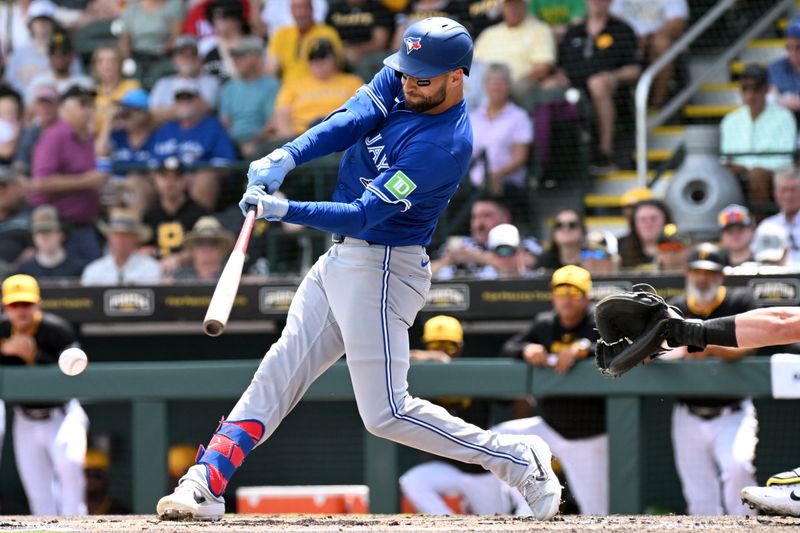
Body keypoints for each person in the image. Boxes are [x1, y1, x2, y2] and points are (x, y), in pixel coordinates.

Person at [156, 16, 561, 522]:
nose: (409, 83)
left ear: (457, 76)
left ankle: (520, 461)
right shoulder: (403, 75)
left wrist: (287, 211)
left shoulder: (444, 145)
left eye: (423, 78)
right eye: (406, 73)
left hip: (385, 266)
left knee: (386, 414)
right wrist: (287, 154)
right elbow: (348, 119)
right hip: (341, 258)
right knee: (276, 373)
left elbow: (368, 215)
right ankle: (205, 482)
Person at [497, 265, 606, 515]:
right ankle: (526, 501)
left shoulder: (597, 321)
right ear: (553, 297)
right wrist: (526, 350)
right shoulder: (545, 324)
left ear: (587, 297)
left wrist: (583, 348)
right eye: (561, 292)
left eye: (574, 292)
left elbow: (617, 346)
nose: (566, 299)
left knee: (597, 513)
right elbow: (510, 347)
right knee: (498, 440)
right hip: (550, 426)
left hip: (588, 435)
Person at [661, 243, 759, 516]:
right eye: (697, 272)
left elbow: (750, 347)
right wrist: (681, 348)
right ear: (687, 273)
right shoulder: (675, 308)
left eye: (710, 273)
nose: (702, 279)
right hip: (687, 413)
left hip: (732, 410)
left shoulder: (740, 302)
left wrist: (707, 344)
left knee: (738, 469)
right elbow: (652, 353)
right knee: (700, 500)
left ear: (721, 276)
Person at [400, 315, 528, 515]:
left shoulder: (475, 375)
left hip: (481, 470)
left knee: (498, 521)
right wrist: (426, 357)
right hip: (445, 465)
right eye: (435, 345)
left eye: (448, 346)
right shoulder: (416, 374)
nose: (441, 351)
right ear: (425, 346)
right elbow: (390, 361)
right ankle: (449, 526)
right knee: (413, 481)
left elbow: (523, 399)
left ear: (460, 346)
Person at [0, 274, 89, 515]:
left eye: (26, 304)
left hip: (61, 414)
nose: (20, 311)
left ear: (37, 304)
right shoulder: (2, 330)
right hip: (25, 419)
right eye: (14, 305)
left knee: (70, 470)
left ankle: (78, 529)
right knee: (39, 495)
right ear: (5, 306)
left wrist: (34, 358)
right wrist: (4, 348)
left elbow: (77, 370)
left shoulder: (56, 329)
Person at [556, 0, 641, 172]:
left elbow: (635, 69)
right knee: (547, 86)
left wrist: (613, 76)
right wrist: (559, 76)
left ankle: (605, 153)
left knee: (597, 84)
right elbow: (560, 66)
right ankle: (555, 164)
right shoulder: (574, 31)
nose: (596, 2)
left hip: (611, 91)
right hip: (573, 90)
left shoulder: (622, 29)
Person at [29, 81, 107, 265]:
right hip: (59, 229)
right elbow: (40, 183)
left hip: (85, 223)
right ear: (65, 108)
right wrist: (85, 182)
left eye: (90, 104)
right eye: (82, 104)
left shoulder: (87, 138)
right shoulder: (55, 136)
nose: (88, 110)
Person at [149, 79, 237, 210]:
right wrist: (170, 178)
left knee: (205, 177)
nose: (184, 103)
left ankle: (196, 223)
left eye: (189, 98)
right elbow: (151, 162)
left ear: (200, 101)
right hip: (167, 178)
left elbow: (225, 162)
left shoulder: (212, 126)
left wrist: (190, 175)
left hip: (196, 180)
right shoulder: (166, 129)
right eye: (180, 99)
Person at [720, 64, 796, 209]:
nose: (750, 95)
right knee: (720, 176)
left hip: (772, 173)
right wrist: (740, 168)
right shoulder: (730, 120)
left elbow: (784, 159)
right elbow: (726, 157)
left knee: (757, 175)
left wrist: (750, 168)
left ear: (766, 90)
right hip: (738, 171)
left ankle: (759, 226)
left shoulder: (784, 117)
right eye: (745, 89)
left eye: (755, 89)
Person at [272, 38, 364, 139]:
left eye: (323, 57)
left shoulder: (352, 82)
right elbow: (282, 115)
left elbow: (362, 111)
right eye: (313, 58)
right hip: (302, 137)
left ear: (335, 59)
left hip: (340, 136)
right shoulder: (292, 86)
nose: (318, 62)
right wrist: (292, 142)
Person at [468, 63, 533, 200]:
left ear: (509, 86)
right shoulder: (473, 118)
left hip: (507, 181)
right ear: (485, 86)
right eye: (492, 82)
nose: (497, 87)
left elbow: (520, 158)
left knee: (492, 190)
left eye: (502, 82)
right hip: (474, 181)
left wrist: (496, 175)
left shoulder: (519, 117)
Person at [609, 0, 688, 108]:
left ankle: (656, 106)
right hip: (624, 43)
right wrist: (632, 38)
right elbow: (611, 19)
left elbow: (677, 23)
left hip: (655, 43)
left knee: (661, 44)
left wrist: (649, 37)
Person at [473, 0, 558, 97]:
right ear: (502, 8)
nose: (513, 9)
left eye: (516, 4)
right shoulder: (489, 33)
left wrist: (508, 84)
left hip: (514, 87)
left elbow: (543, 66)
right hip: (482, 86)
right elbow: (473, 63)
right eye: (509, 5)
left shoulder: (540, 29)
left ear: (525, 6)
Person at [141, 156, 210, 274]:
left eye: (176, 177)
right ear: (156, 179)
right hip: (153, 272)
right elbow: (140, 248)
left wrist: (181, 258)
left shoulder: (199, 214)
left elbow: (209, 248)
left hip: (192, 273)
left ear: (185, 180)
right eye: (164, 177)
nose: (170, 182)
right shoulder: (149, 215)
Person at [219, 36, 281, 157]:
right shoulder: (228, 88)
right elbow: (225, 123)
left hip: (262, 142)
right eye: (234, 56)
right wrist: (238, 143)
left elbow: (272, 124)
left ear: (256, 58)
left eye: (241, 56)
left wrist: (253, 141)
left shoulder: (271, 85)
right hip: (232, 143)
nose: (236, 60)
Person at [265, 0, 345, 83]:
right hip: (289, 89)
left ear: (312, 9)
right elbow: (271, 67)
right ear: (291, 11)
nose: (300, 13)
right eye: (296, 9)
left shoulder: (327, 33)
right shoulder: (281, 34)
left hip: (320, 86)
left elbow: (337, 65)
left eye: (304, 8)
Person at [149, 35, 221, 125]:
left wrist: (165, 112)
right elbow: (152, 115)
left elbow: (205, 108)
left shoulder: (210, 81)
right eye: (182, 54)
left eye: (193, 54)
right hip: (166, 135)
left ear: (200, 59)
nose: (188, 57)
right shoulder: (163, 83)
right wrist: (188, 108)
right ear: (175, 60)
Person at [80, 207, 160, 285]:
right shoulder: (93, 271)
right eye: (116, 235)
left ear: (136, 239)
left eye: (126, 235)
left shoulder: (151, 268)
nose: (121, 240)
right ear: (109, 239)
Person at [17, 204, 85, 278]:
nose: (44, 236)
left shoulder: (79, 269)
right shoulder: (25, 271)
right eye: (39, 232)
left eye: (49, 231)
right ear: (33, 237)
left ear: (62, 235)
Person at [326, 0, 394, 69]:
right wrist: (341, 50)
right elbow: (325, 36)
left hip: (367, 55)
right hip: (339, 52)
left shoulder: (378, 8)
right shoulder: (335, 9)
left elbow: (380, 42)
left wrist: (357, 50)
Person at [756, 166, 800, 266]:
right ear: (776, 194)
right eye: (784, 190)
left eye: (794, 189)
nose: (789, 196)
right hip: (779, 280)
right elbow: (765, 265)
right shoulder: (767, 227)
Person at [92, 45, 140, 135]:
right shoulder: (92, 93)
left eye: (112, 60)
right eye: (101, 61)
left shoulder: (132, 86)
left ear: (120, 65)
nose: (107, 65)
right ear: (96, 67)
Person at [169, 216, 233, 281]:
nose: (207, 248)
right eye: (200, 242)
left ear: (222, 247)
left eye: (213, 242)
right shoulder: (178, 279)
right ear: (192, 248)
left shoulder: (233, 278)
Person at [618, 199, 671, 270]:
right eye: (643, 219)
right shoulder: (618, 248)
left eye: (654, 218)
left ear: (665, 221)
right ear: (634, 224)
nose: (648, 224)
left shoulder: (678, 248)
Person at [0, 165, 31, 273]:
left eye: (5, 186)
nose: (1, 191)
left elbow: (37, 248)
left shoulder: (28, 215)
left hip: (19, 277)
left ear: (16, 188)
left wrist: (14, 268)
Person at [768, 16, 800, 120]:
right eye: (789, 47)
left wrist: (781, 99)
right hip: (782, 126)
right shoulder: (775, 68)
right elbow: (769, 100)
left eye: (798, 47)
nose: (793, 52)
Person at [84, 448, 129, 515]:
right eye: (87, 475)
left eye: (97, 475)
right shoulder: (69, 508)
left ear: (107, 477)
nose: (92, 480)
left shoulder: (120, 512)